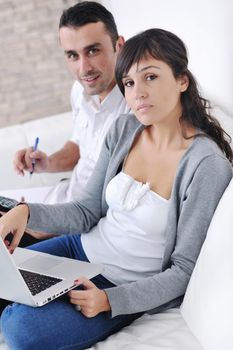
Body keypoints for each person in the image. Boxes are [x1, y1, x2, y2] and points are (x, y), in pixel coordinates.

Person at [0, 28, 232, 350]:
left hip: (119, 284)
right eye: (129, 83)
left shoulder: (206, 165)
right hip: (76, 250)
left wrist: (110, 300)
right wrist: (24, 213)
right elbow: (85, 211)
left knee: (20, 331)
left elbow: (183, 271)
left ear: (182, 80)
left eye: (150, 77)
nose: (138, 93)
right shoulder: (124, 129)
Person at [12, 1, 129, 205]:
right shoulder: (79, 91)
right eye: (72, 55)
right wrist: (46, 163)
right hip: (63, 197)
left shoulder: (136, 109)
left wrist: (36, 222)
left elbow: (109, 201)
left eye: (92, 51)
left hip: (77, 218)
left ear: (119, 46)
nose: (84, 68)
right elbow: (80, 147)